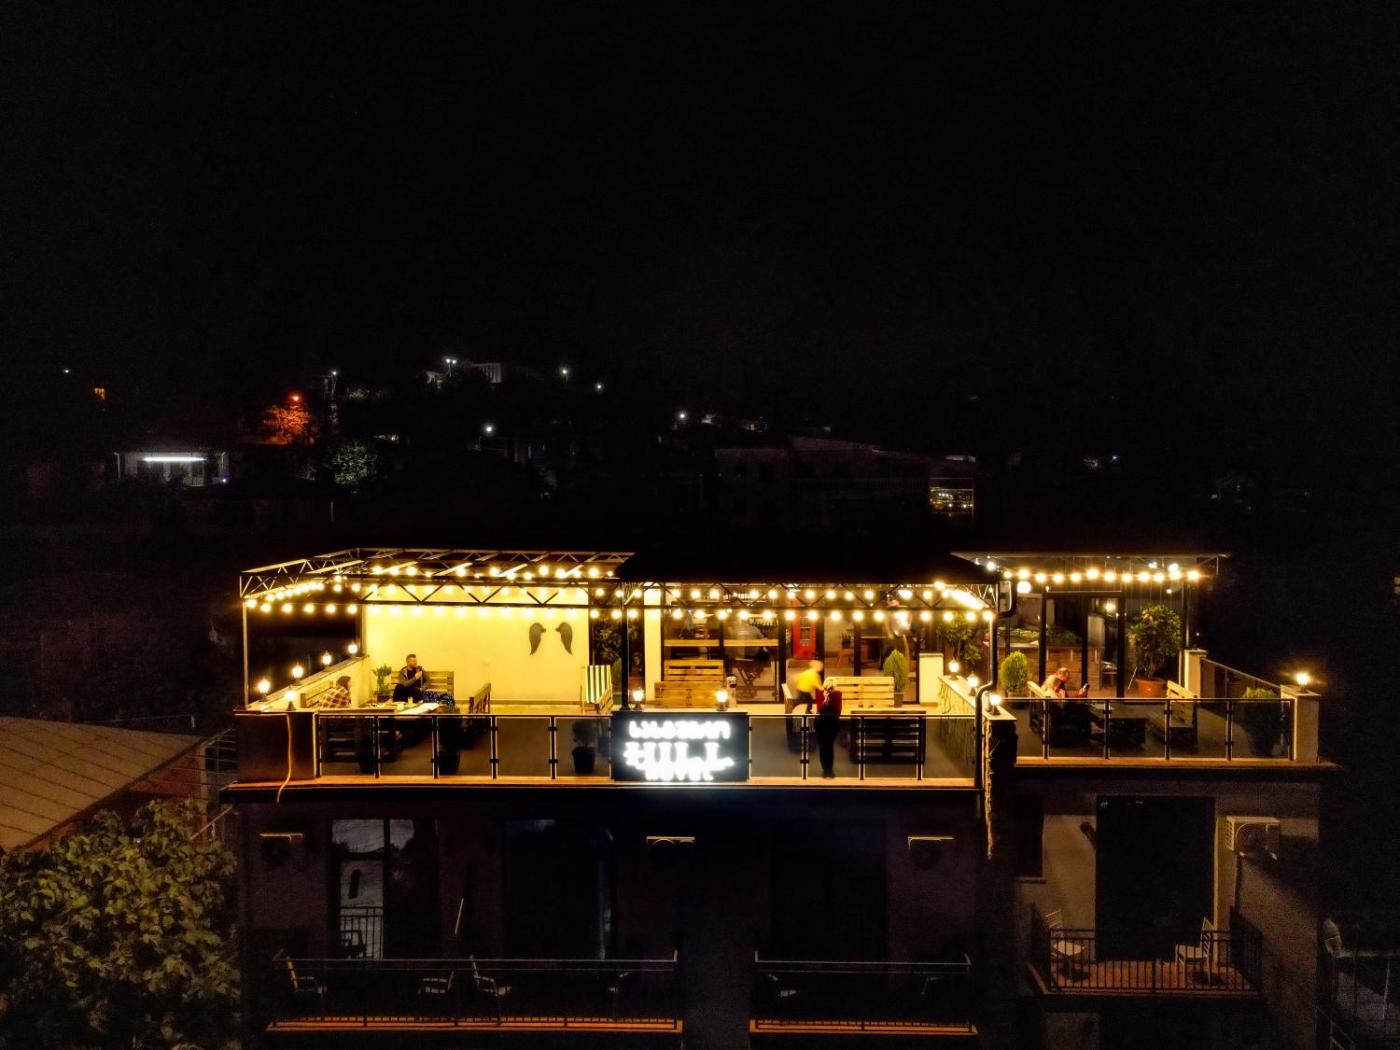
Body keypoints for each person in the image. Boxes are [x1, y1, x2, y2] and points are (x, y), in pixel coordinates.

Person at [813, 677, 843, 778]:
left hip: (832, 723)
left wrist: (830, 699)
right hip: (821, 724)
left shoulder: (837, 694)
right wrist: (825, 700)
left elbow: (838, 710)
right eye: (828, 688)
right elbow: (820, 709)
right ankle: (825, 769)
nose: (829, 690)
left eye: (831, 688)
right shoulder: (819, 693)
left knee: (829, 746)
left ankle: (829, 769)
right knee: (822, 746)